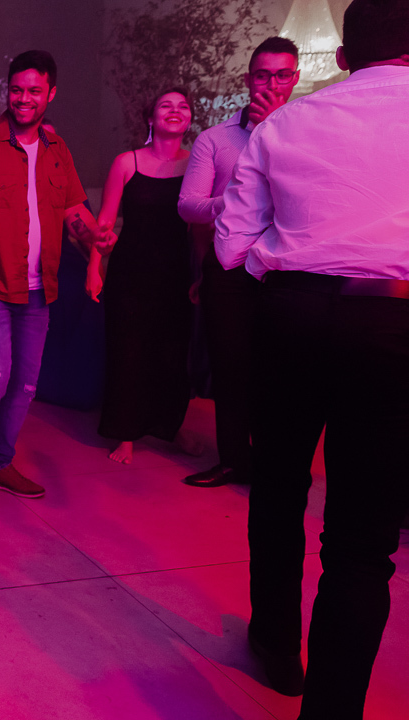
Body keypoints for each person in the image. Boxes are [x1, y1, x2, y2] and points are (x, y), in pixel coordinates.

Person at [215, 1, 409, 715]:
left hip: (291, 316)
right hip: (394, 322)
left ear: (345, 57)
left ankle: (274, 642)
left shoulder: (287, 124)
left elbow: (232, 247)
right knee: (362, 538)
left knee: (279, 484)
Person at [0, 50, 113, 511]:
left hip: (39, 289)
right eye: (17, 89)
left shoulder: (59, 151)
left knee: (26, 383)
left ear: (50, 94)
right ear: (8, 91)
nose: (23, 98)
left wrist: (95, 238)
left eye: (34, 91)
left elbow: (75, 213)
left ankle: (1, 461)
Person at [177, 37, 300, 488]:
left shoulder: (308, 133)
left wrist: (275, 132)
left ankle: (273, 467)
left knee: (280, 372)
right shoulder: (216, 139)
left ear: (295, 78)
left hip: (287, 271)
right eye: (263, 74)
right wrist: (232, 201)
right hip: (228, 269)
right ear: (248, 79)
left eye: (282, 74)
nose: (272, 83)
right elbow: (188, 205)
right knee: (230, 367)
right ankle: (232, 461)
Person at [87, 89, 201, 465]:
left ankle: (170, 425)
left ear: (189, 119)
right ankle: (126, 432)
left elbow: (202, 226)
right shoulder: (127, 162)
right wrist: (93, 267)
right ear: (149, 118)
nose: (175, 110)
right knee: (128, 351)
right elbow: (105, 222)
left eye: (183, 106)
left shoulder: (199, 163)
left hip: (176, 270)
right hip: (131, 270)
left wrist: (202, 273)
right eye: (165, 105)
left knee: (172, 352)